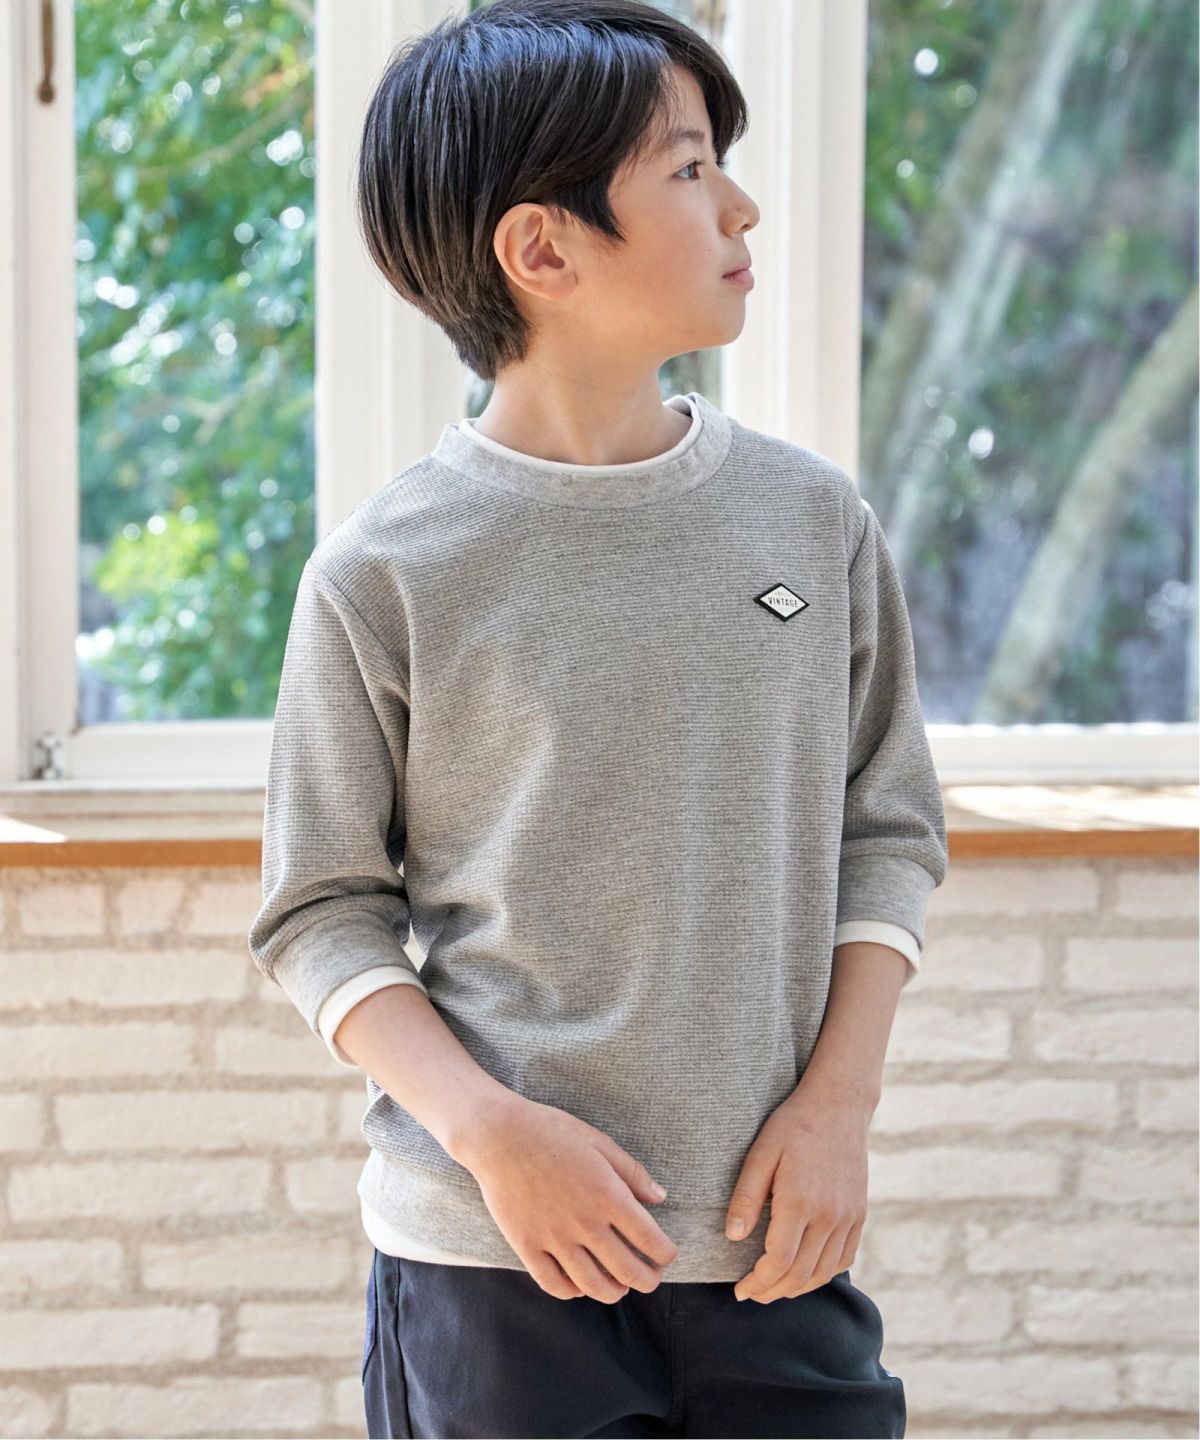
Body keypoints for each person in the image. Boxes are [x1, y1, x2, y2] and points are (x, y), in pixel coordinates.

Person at [247, 1, 949, 1434]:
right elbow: (320, 911)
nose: (742, 204)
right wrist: (488, 1132)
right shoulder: (385, 571)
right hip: (492, 1263)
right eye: (689, 168)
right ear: (544, 249)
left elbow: (886, 831)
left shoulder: (811, 522)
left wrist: (840, 1109)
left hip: (770, 1243)